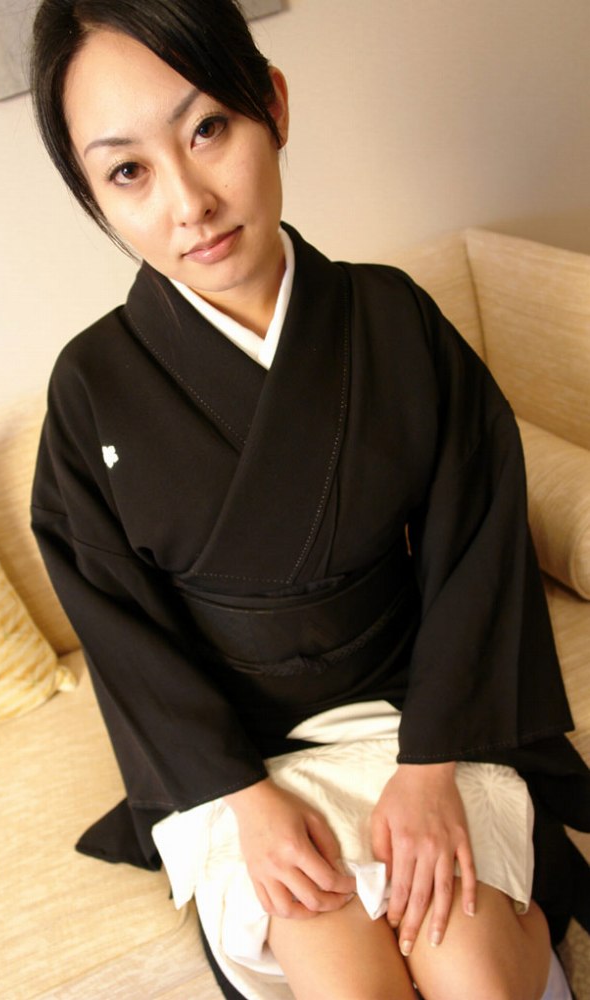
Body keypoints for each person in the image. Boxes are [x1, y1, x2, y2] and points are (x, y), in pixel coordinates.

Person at [29, 2, 589, 998]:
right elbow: (121, 632)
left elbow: (478, 545)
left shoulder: (392, 317)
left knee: (471, 972)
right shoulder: (89, 388)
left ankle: (530, 925)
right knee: (352, 986)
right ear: (90, 194)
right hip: (242, 762)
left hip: (425, 719)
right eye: (128, 171)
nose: (190, 201)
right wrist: (244, 798)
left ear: (273, 105)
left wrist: (429, 769)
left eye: (208, 128)